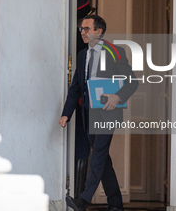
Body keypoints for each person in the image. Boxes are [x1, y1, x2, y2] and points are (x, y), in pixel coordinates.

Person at [59, 15, 138, 211]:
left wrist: (118, 97)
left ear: (99, 31)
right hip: (88, 114)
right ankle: (116, 203)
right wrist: (66, 114)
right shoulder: (82, 55)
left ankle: (83, 200)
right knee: (102, 159)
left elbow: (132, 81)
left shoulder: (115, 52)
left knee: (98, 155)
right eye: (82, 30)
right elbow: (75, 87)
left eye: (86, 29)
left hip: (108, 113)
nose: (82, 33)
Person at [74, 0, 95, 198]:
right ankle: (80, 198)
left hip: (90, 101)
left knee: (91, 151)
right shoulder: (84, 39)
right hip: (83, 101)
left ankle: (80, 198)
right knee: (83, 148)